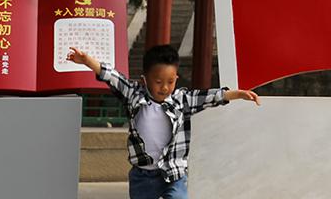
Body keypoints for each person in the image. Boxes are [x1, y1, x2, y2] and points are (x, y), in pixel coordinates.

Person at [67, 44, 260, 199]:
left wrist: (237, 94)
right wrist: (87, 61)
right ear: (145, 79)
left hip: (174, 173)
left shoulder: (181, 100)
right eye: (158, 82)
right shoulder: (134, 95)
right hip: (142, 176)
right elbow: (112, 76)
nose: (165, 87)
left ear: (176, 78)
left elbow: (209, 97)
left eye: (170, 81)